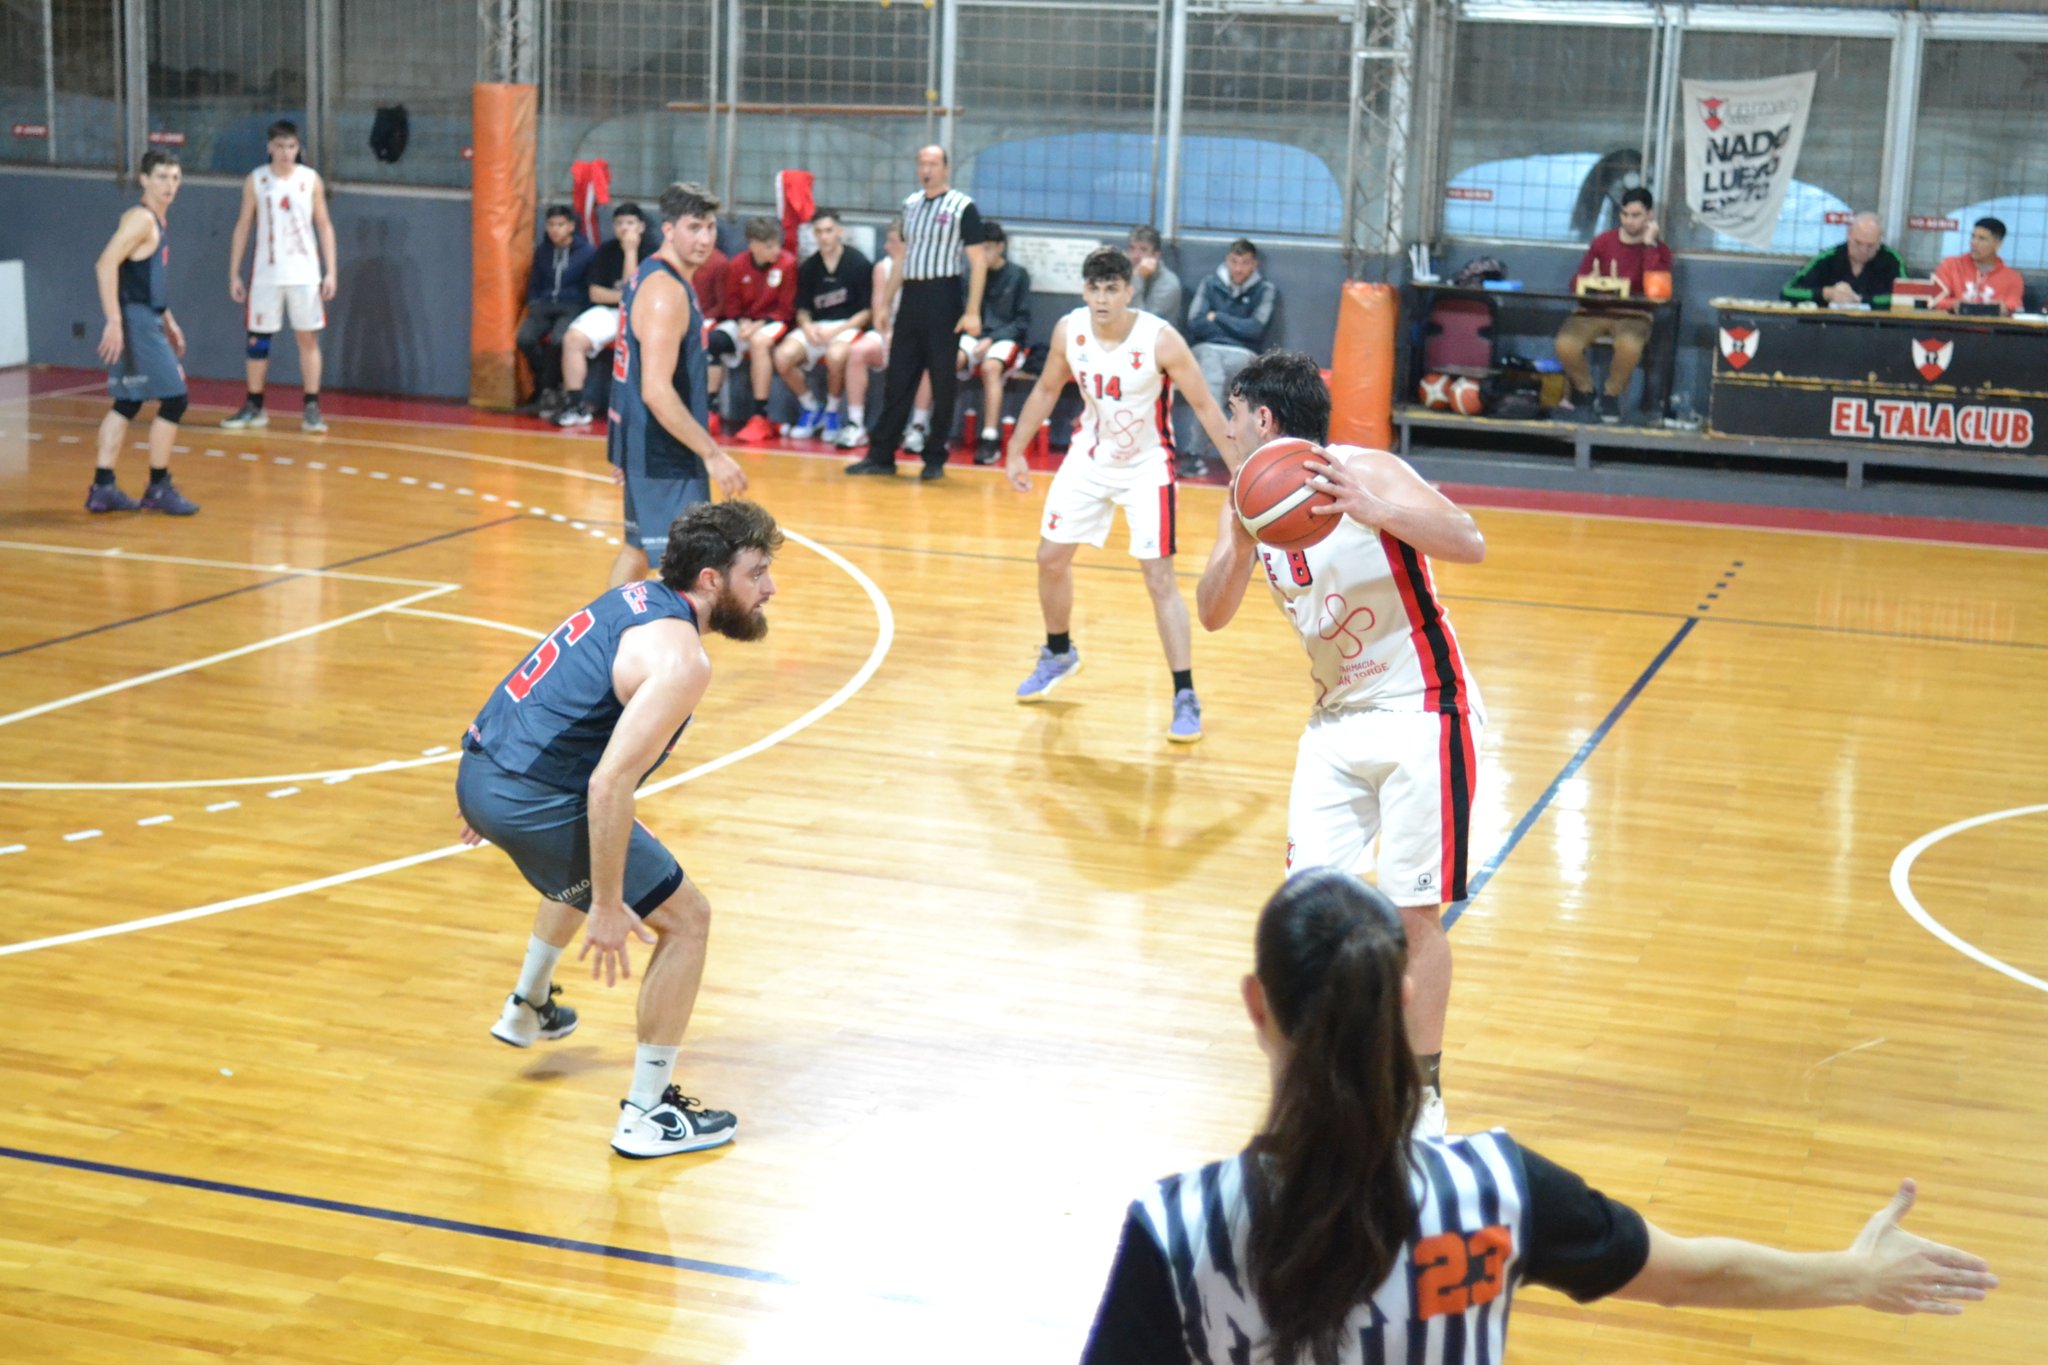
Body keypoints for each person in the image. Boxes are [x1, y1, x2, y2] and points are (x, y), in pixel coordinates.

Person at [1079, 870, 1999, 1365]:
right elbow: (1687, 1275)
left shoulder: (1178, 1229)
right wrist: (1854, 1273)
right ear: (1404, 999)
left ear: (1256, 1002)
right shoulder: (1496, 1190)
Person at [1194, 350, 1484, 1137]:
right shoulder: (1247, 500)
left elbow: (1469, 540)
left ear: (1263, 417)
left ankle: (1423, 1092)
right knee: (1308, 915)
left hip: (1423, 707)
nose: (1225, 428)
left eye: (1232, 413)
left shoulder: (1366, 468)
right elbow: (1211, 613)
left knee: (1414, 913)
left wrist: (1372, 507)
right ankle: (1317, 1082)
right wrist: (1240, 545)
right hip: (1333, 721)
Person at [458, 499, 783, 1160]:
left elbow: (536, 682)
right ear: (712, 580)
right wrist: (608, 905)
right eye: (756, 573)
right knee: (687, 919)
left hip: (485, 767)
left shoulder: (630, 597)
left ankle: (527, 1005)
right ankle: (647, 1113)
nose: (770, 588)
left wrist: (486, 786)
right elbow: (609, 787)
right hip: (531, 795)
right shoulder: (683, 661)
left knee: (598, 845)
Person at [1000, 246, 1236, 743]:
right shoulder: (1070, 330)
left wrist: (1239, 471)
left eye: (1112, 289)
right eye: (1094, 289)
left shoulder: (1161, 340)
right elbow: (1045, 390)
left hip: (1147, 466)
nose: (1102, 298)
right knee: (1049, 558)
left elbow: (1204, 405)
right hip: (1089, 458)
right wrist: (1016, 449)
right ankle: (1059, 652)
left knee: (1158, 578)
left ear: (1130, 291)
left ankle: (1185, 693)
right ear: (1084, 291)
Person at [607, 182, 748, 590]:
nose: (705, 239)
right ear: (668, 229)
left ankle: (604, 629)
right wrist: (713, 454)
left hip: (647, 445)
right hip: (664, 451)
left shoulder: (649, 275)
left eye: (710, 227)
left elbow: (628, 370)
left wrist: (623, 446)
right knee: (693, 573)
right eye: (693, 227)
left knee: (638, 554)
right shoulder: (665, 292)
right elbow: (655, 390)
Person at [847, 144, 990, 481]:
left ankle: (935, 457)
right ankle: (881, 455)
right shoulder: (910, 205)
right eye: (922, 163)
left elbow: (978, 261)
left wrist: (972, 310)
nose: (927, 169)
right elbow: (902, 257)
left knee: (942, 381)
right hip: (911, 296)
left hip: (944, 296)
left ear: (946, 168)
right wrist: (885, 303)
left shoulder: (962, 207)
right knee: (898, 377)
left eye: (933, 163)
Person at [89, 148, 198, 516]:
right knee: (175, 399)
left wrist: (168, 321)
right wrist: (114, 321)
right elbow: (105, 264)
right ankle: (158, 486)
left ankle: (103, 487)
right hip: (135, 321)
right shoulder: (141, 220)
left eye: (175, 178)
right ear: (144, 180)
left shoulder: (152, 221)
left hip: (144, 316)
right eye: (162, 177)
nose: (170, 185)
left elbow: (142, 279)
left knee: (128, 401)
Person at [222, 120, 338, 434]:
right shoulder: (257, 180)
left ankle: (311, 407)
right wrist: (234, 273)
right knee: (257, 340)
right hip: (266, 274)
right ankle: (255, 405)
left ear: (298, 148)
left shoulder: (310, 180)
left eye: (291, 146)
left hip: (304, 275)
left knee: (307, 339)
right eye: (280, 146)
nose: (286, 152)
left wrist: (331, 272)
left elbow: (324, 225)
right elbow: (243, 225)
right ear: (269, 147)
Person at [1553, 187, 1671, 424]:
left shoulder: (1660, 251)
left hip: (1634, 315)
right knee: (1565, 343)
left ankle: (1611, 396)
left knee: (1629, 345)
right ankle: (1586, 392)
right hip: (1594, 310)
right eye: (1624, 214)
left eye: (1636, 215)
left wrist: (1650, 246)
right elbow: (1575, 284)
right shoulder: (1603, 242)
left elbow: (1657, 292)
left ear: (1650, 215)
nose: (1629, 221)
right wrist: (1590, 281)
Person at [772, 207, 872, 443]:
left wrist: (837, 331)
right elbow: (802, 309)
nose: (824, 237)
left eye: (828, 231)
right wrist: (808, 328)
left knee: (836, 356)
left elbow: (866, 312)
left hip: (846, 327)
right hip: (816, 327)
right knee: (782, 357)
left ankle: (832, 411)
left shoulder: (858, 262)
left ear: (839, 231)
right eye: (819, 232)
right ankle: (810, 407)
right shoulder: (809, 267)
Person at [1182, 238, 1277, 477]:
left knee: (1240, 399)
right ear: (1227, 261)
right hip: (1207, 348)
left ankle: (1200, 454)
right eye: (1234, 262)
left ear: (1254, 264)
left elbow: (1255, 329)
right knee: (1211, 385)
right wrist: (1235, 327)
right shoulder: (1210, 283)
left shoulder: (1265, 289)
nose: (1238, 268)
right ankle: (1231, 456)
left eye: (1244, 263)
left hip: (1243, 353)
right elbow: (1195, 322)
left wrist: (1218, 317)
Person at [836, 216, 930, 452]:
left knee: (928, 356)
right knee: (857, 352)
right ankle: (855, 424)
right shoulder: (883, 268)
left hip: (917, 333)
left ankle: (918, 426)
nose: (887, 247)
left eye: (892, 241)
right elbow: (879, 312)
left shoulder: (927, 269)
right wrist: (888, 335)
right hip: (888, 331)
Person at [555, 202, 648, 429]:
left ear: (641, 227)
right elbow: (595, 293)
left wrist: (631, 253)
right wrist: (623, 296)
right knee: (572, 339)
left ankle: (641, 410)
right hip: (610, 312)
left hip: (643, 314)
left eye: (630, 223)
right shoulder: (606, 251)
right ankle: (575, 404)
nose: (625, 228)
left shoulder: (653, 252)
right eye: (619, 223)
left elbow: (634, 295)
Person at [708, 216, 798, 444]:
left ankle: (760, 415)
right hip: (745, 322)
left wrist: (758, 325)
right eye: (769, 246)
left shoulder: (787, 264)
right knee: (714, 340)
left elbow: (786, 310)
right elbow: (732, 304)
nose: (776, 250)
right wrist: (741, 323)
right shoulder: (737, 265)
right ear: (753, 245)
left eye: (777, 244)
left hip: (775, 322)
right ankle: (710, 409)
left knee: (759, 342)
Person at [959, 220, 1031, 465]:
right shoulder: (970, 274)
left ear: (1001, 247)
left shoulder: (1017, 275)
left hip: (1005, 339)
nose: (983, 254)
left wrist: (992, 339)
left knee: (991, 368)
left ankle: (989, 437)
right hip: (974, 336)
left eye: (988, 248)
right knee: (945, 360)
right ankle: (928, 428)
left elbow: (1022, 321)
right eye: (979, 248)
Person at [519, 205, 597, 417]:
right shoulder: (543, 251)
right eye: (551, 224)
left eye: (560, 224)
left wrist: (582, 307)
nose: (555, 229)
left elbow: (589, 285)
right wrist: (534, 301)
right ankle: (548, 384)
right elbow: (535, 281)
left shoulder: (587, 252)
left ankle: (548, 389)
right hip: (544, 305)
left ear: (571, 226)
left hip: (572, 306)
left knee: (559, 340)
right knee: (524, 338)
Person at [1781, 212, 1904, 309]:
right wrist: (1826, 294)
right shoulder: (1828, 258)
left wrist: (1861, 300)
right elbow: (1787, 292)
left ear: (1879, 242)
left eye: (1870, 246)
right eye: (1858, 243)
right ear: (1849, 235)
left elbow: (1907, 299)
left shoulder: (1892, 260)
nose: (1863, 250)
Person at [1934, 217, 2026, 315]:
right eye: (1973, 236)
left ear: (1998, 244)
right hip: (1953, 324)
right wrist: (1953, 304)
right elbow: (1936, 299)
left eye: (1982, 239)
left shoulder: (2012, 278)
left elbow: (2015, 305)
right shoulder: (1950, 266)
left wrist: (2002, 308)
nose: (1974, 243)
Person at [1128, 225, 1183, 326]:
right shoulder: (1125, 273)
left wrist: (1136, 278)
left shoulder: (1169, 284)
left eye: (1143, 250)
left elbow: (1142, 323)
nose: (1135, 256)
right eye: (1132, 248)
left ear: (1156, 255)